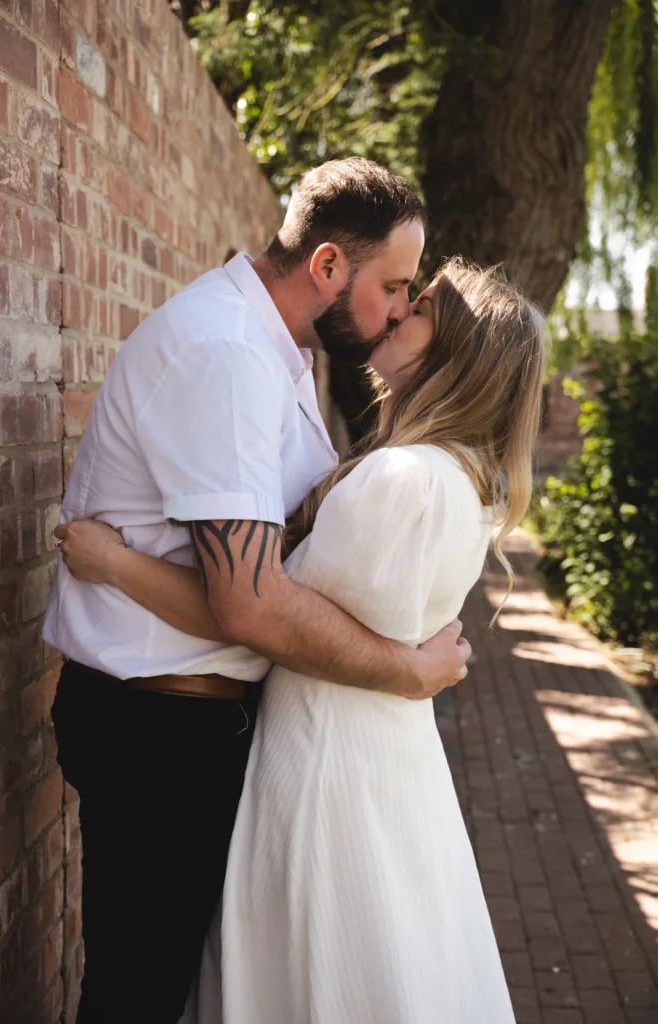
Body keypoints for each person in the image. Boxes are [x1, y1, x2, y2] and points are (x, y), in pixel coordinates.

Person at [56, 257, 545, 1023]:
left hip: (323, 763)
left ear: (450, 353)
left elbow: (261, 612)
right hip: (377, 756)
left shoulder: (402, 479)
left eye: (418, 307)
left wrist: (114, 562)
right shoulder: (461, 478)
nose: (397, 311)